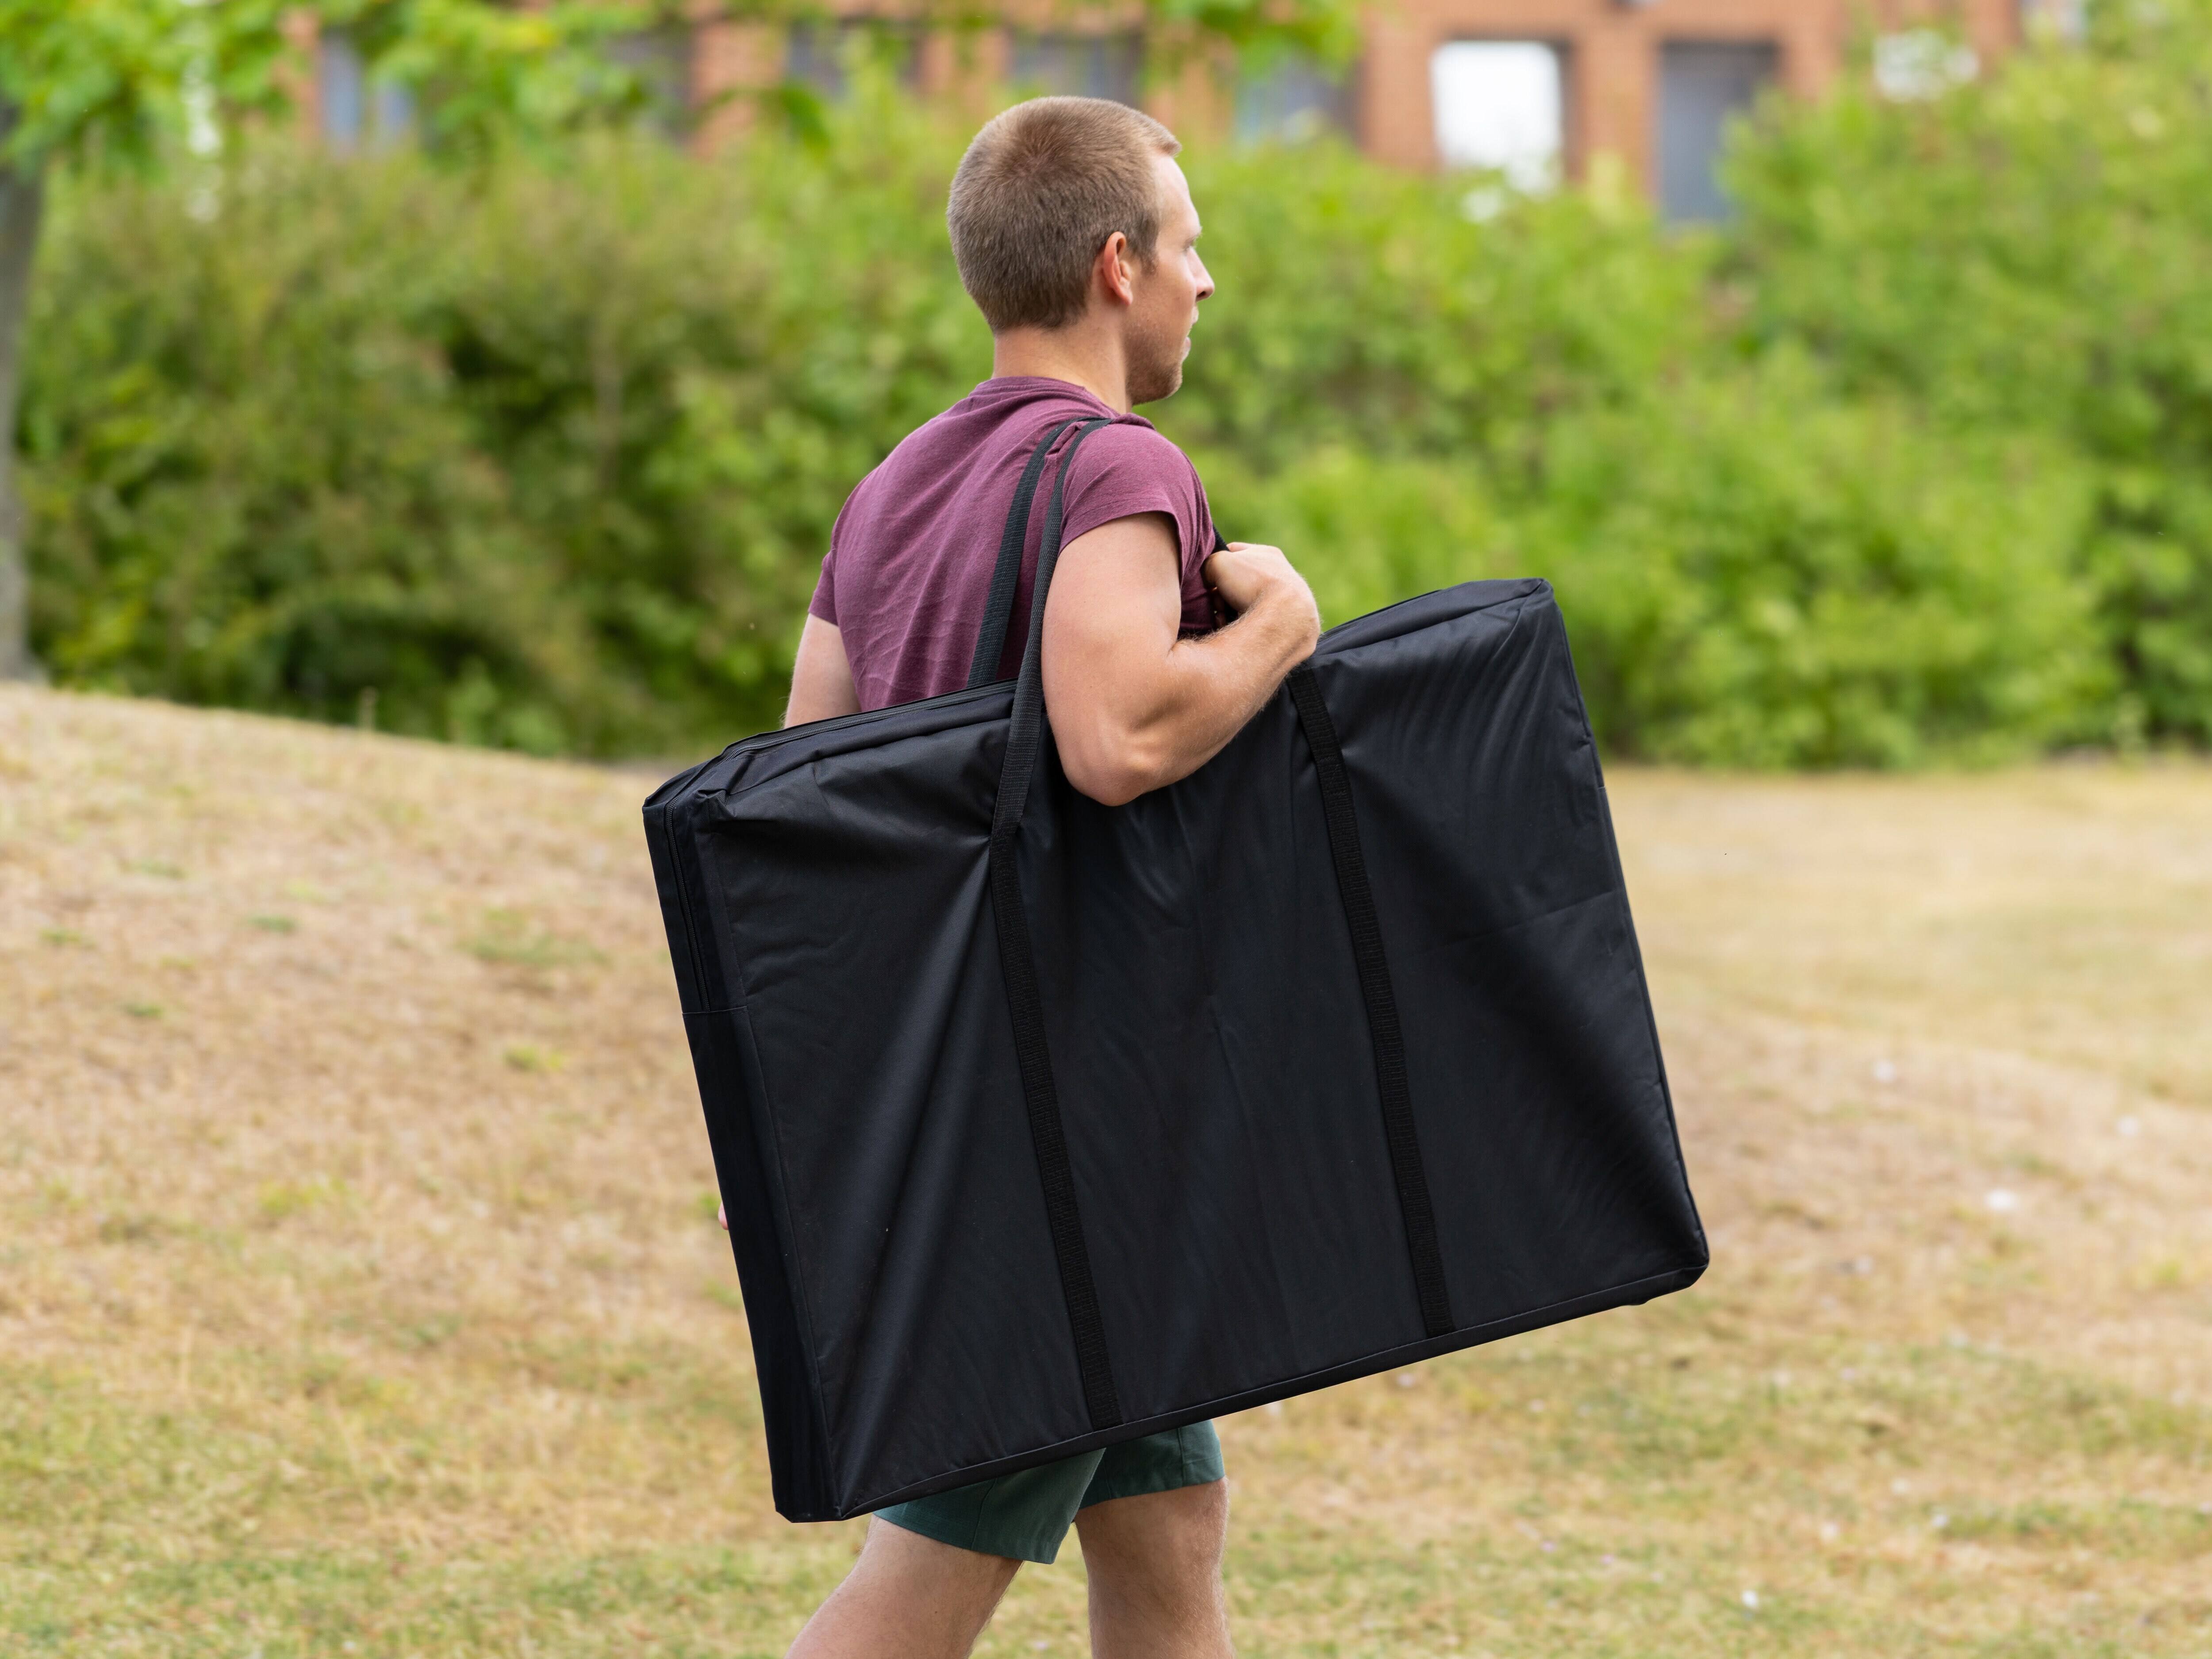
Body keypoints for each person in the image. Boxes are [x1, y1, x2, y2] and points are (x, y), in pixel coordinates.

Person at [721, 94, 1321, 1659]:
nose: (1210, 282)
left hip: (970, 1101)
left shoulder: (890, 492)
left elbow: (807, 778)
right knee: (928, 1576)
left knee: (1169, 1528)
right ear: (1118, 265)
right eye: (1191, 249)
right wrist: (1278, 628)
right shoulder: (1123, 467)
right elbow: (1117, 735)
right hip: (1070, 1128)